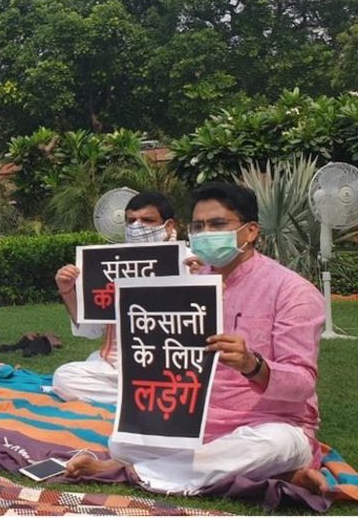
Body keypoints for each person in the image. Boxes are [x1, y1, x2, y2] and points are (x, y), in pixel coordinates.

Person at [67, 182, 327, 496]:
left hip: (270, 422)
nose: (205, 233)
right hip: (199, 418)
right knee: (123, 443)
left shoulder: (293, 292)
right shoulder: (191, 283)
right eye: (198, 226)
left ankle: (129, 473)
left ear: (250, 231)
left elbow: (302, 384)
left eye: (217, 224)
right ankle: (272, 474)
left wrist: (254, 365)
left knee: (275, 445)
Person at [52, 191, 183, 404]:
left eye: (147, 220)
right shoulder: (109, 265)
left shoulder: (190, 263)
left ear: (168, 226)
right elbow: (89, 330)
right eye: (131, 221)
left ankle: (144, 396)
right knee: (65, 377)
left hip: (170, 366)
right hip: (115, 366)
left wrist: (198, 279)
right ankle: (148, 397)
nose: (137, 227)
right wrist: (67, 291)